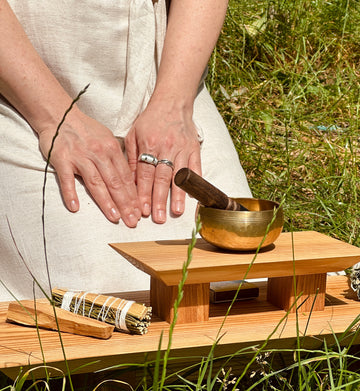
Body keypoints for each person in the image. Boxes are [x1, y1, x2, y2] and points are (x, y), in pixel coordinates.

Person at [0, 0, 252, 301]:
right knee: (95, 292)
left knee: (244, 277)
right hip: (22, 87)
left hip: (168, 70)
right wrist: (56, 118)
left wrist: (174, 104)